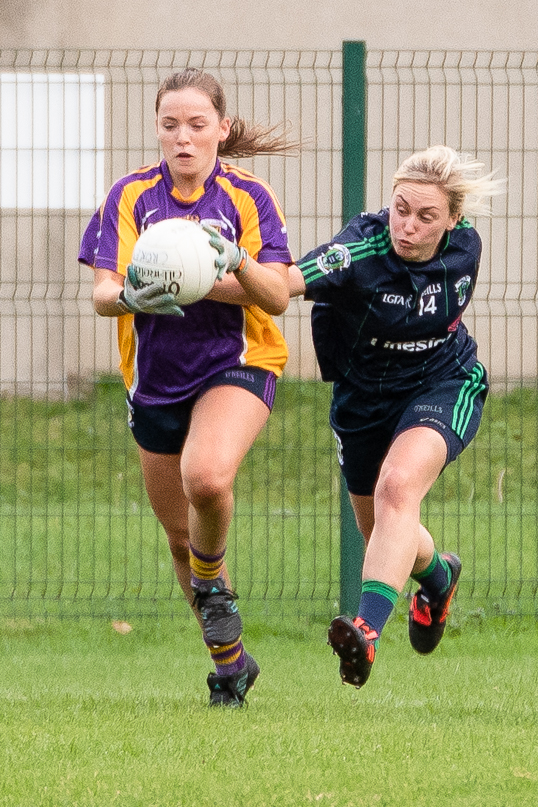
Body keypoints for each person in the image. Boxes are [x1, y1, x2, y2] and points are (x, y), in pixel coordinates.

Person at [79, 68, 296, 707]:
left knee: (206, 478)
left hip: (240, 362)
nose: (183, 137)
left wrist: (226, 267)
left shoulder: (249, 197)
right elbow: (101, 293)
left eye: (198, 125)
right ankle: (229, 666)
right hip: (154, 382)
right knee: (180, 537)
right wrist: (136, 294)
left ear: (221, 130)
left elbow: (278, 295)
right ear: (157, 129)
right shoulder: (130, 196)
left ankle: (212, 583)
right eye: (170, 125)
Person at [289, 145, 504, 689]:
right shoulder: (358, 249)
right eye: (399, 208)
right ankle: (438, 577)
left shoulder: (466, 247)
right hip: (362, 401)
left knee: (398, 488)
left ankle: (366, 632)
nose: (406, 226)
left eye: (426, 216)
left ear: (455, 219)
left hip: (443, 383)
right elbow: (283, 284)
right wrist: (207, 275)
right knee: (384, 530)